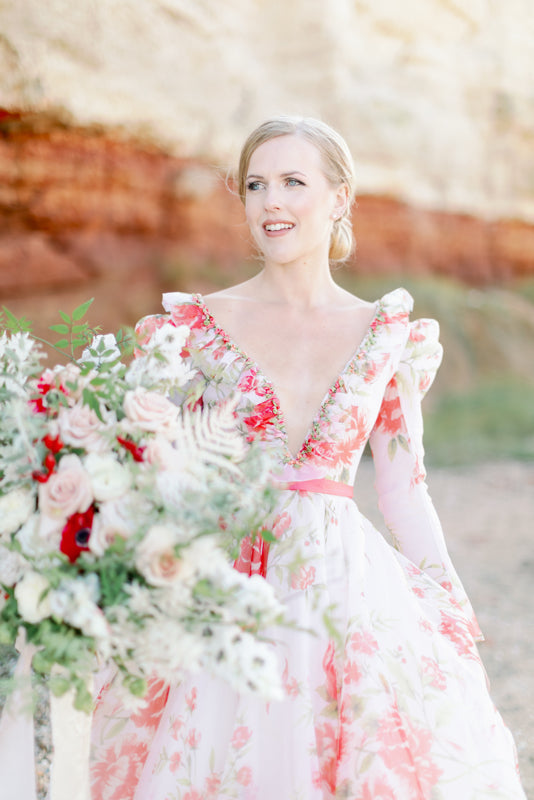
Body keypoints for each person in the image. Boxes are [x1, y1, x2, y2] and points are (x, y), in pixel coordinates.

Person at [90, 116, 526, 799]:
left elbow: (404, 489)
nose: (272, 202)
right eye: (257, 185)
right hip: (229, 587)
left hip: (349, 592)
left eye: (294, 182)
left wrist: (448, 603)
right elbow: (160, 476)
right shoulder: (191, 329)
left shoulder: (385, 335)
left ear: (339, 197)